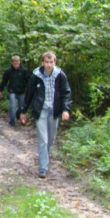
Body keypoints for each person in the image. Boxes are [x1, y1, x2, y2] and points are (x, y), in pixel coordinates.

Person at [20, 51, 72, 179]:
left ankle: (45, 156)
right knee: (43, 139)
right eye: (47, 62)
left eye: (51, 62)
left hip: (54, 110)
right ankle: (43, 167)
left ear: (55, 62)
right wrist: (23, 111)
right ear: (43, 63)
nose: (49, 65)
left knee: (51, 138)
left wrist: (66, 109)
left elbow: (66, 93)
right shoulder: (36, 76)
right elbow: (29, 94)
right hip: (41, 110)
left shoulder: (60, 75)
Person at [0, 55, 30, 126]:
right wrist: (0, 90)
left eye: (17, 63)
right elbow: (4, 81)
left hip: (21, 91)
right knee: (12, 106)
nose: (16, 65)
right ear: (12, 63)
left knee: (22, 107)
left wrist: (27, 89)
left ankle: (18, 114)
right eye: (15, 63)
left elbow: (28, 81)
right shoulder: (9, 71)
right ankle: (12, 121)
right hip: (12, 91)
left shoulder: (24, 71)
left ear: (19, 62)